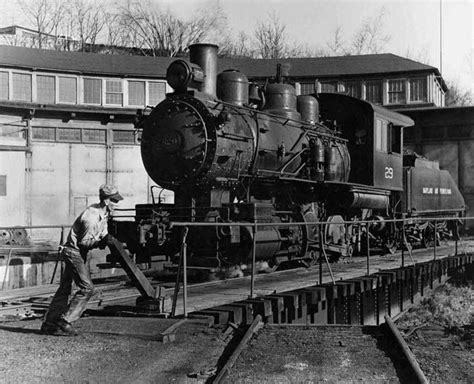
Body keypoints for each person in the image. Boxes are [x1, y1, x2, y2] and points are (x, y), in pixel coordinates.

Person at [40, 184, 123, 336]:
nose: (116, 204)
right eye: (114, 201)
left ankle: (49, 324)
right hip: (74, 252)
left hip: (79, 253)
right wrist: (101, 243)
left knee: (65, 288)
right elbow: (83, 242)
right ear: (106, 201)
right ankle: (64, 321)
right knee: (87, 288)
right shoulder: (90, 217)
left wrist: (106, 238)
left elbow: (102, 232)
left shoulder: (103, 213)